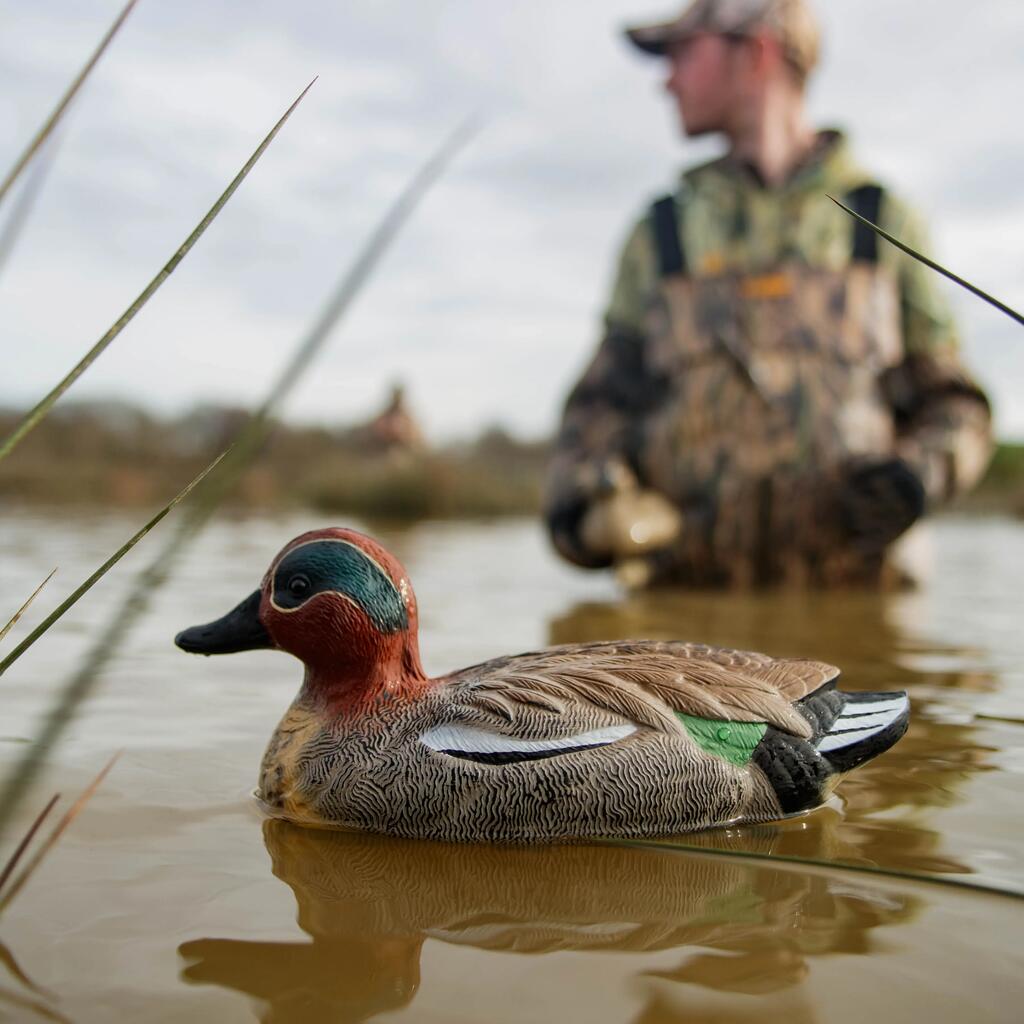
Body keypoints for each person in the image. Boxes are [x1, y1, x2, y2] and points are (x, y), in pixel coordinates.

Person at [544, 0, 992, 588]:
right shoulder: (660, 234)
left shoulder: (881, 222)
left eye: (683, 51)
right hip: (686, 643)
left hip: (860, 615)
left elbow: (957, 407)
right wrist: (587, 509)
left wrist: (916, 477)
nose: (666, 79)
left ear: (756, 50)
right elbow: (594, 414)